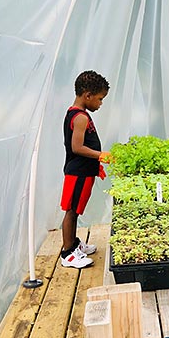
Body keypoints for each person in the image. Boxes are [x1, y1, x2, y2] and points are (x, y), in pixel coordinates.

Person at [59, 70, 112, 268]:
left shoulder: (80, 114)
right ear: (87, 95)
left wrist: (96, 166)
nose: (100, 103)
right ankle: (67, 254)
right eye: (99, 99)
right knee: (71, 211)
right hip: (77, 173)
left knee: (76, 211)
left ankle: (73, 245)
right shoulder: (80, 117)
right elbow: (77, 147)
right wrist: (100, 155)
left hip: (84, 171)